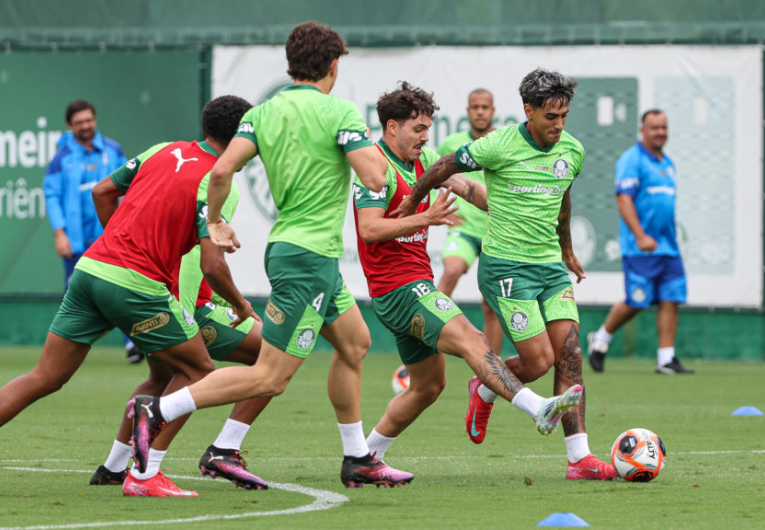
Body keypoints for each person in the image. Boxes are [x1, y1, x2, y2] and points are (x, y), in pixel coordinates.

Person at [128, 21, 413, 489]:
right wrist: (367, 148)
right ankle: (158, 409)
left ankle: (357, 456)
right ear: (333, 65)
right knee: (270, 376)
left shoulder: (262, 113)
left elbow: (220, 172)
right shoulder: (339, 112)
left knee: (354, 343)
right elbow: (377, 180)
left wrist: (215, 221)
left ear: (292, 63)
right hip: (308, 259)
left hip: (292, 250)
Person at [0, 95, 256, 497]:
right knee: (199, 371)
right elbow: (209, 266)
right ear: (244, 136)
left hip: (90, 270)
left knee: (44, 377)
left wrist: (117, 245)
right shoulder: (218, 180)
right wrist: (241, 306)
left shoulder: (163, 149)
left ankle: (121, 466)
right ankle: (145, 474)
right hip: (137, 285)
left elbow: (102, 191)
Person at [396, 68, 618, 480]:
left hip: (550, 266)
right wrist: (412, 205)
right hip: (506, 268)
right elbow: (443, 165)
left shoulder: (572, 150)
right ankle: (483, 387)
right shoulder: (498, 145)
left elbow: (563, 197)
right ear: (528, 110)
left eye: (564, 115)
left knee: (569, 352)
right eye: (551, 116)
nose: (559, 125)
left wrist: (567, 250)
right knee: (537, 361)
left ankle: (579, 458)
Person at [354, 81, 584, 468]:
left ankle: (365, 455)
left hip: (416, 282)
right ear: (392, 127)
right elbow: (369, 230)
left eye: (428, 128)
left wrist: (517, 208)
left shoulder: (423, 160)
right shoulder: (375, 166)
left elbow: (466, 186)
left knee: (428, 386)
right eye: (418, 129)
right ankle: (538, 407)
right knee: (474, 340)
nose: (426, 137)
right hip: (397, 288)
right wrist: (425, 216)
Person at [89, 182, 271, 491]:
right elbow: (198, 258)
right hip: (179, 307)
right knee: (276, 353)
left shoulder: (175, 172)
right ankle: (220, 450)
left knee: (158, 380)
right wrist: (181, 320)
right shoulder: (221, 184)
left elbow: (195, 255)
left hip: (152, 297)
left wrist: (229, 302)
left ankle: (113, 466)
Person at [587, 110, 694, 375]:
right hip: (640, 247)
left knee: (671, 298)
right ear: (642, 130)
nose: (660, 132)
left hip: (668, 247)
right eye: (654, 127)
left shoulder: (667, 162)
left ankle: (666, 359)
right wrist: (640, 235)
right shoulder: (631, 160)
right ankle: (600, 339)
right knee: (637, 301)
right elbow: (624, 199)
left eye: (664, 127)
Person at [42, 99, 143, 365]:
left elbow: (129, 186)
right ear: (69, 125)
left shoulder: (112, 150)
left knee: (119, 288)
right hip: (75, 241)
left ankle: (133, 342)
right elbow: (52, 195)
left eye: (89, 120)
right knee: (73, 295)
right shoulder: (61, 157)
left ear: (95, 120)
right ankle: (63, 350)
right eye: (79, 123)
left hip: (108, 235)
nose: (85, 126)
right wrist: (59, 233)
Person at [436, 89, 503, 355]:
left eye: (485, 106)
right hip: (463, 229)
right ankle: (422, 349)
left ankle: (492, 371)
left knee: (491, 304)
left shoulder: (502, 142)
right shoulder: (452, 143)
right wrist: (437, 210)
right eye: (475, 106)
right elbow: (429, 175)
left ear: (493, 111)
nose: (480, 111)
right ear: (467, 111)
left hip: (494, 232)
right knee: (451, 271)